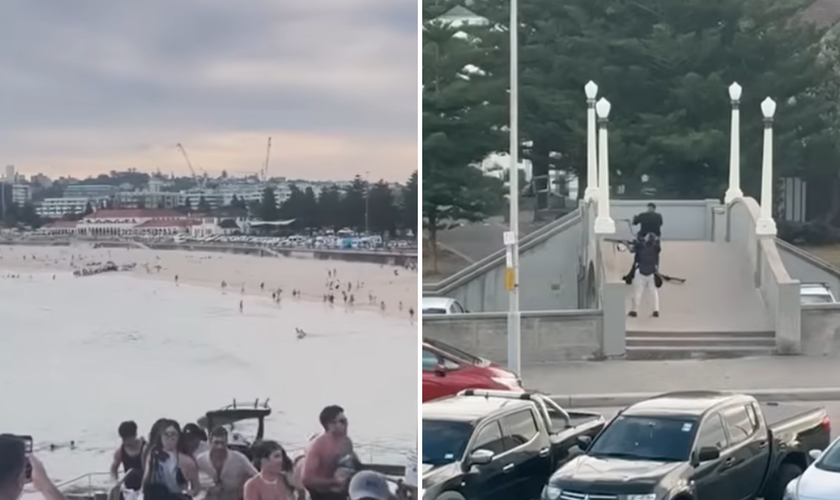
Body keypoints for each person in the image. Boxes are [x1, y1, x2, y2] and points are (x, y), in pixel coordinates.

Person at [302, 405, 358, 500]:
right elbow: (307, 480)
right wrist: (334, 482)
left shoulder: (346, 441)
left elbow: (352, 463)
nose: (347, 424)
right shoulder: (318, 445)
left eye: (346, 421)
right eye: (342, 421)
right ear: (330, 425)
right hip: (321, 495)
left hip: (342, 493)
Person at [142, 419, 201, 500]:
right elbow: (146, 480)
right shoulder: (153, 455)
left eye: (173, 434)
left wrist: (190, 492)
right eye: (166, 434)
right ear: (161, 436)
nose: (170, 438)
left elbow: (196, 487)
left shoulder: (187, 461)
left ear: (178, 437)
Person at [196, 427, 257, 500]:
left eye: (222, 443)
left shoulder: (239, 458)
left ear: (227, 442)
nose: (220, 447)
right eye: (216, 443)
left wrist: (243, 487)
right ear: (210, 441)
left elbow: (256, 476)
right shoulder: (200, 460)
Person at [628, 233, 661, 318]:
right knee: (653, 292)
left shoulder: (640, 247)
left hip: (641, 271)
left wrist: (635, 243)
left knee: (637, 292)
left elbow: (633, 251)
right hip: (652, 272)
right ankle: (656, 310)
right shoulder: (655, 249)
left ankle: (634, 310)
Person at [110, 421, 146, 495]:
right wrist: (116, 482)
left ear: (135, 435)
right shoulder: (120, 451)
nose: (125, 442)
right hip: (129, 489)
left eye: (128, 439)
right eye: (123, 439)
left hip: (144, 485)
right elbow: (113, 469)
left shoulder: (145, 448)